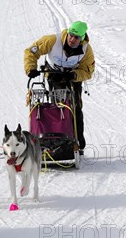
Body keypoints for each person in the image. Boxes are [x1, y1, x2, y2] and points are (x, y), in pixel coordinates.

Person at [24, 21, 95, 154]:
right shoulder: (52, 40)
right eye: (71, 35)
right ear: (68, 32)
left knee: (75, 106)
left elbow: (88, 71)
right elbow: (31, 51)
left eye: (77, 37)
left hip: (72, 76)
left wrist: (74, 75)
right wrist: (31, 68)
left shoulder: (86, 50)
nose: (72, 39)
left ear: (82, 39)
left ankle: (77, 142)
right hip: (54, 74)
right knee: (59, 105)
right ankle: (55, 139)